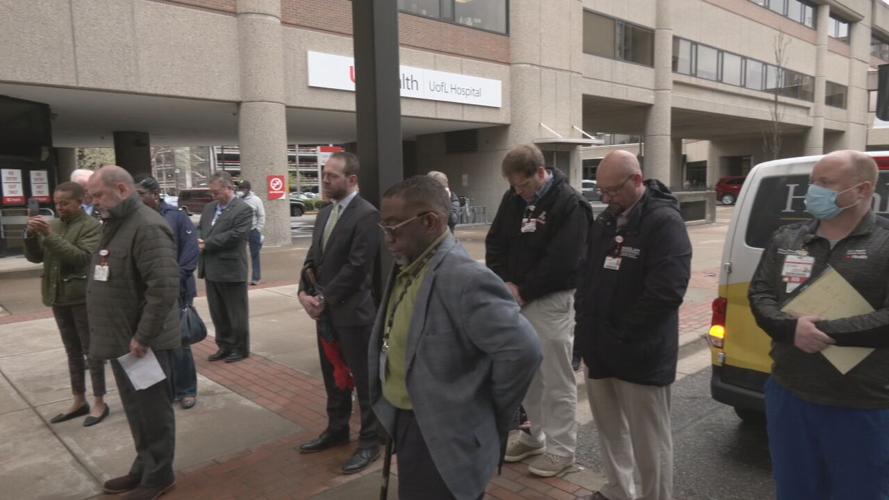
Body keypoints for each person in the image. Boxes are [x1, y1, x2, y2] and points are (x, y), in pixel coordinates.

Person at [369, 175, 541, 499]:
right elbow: (391, 331)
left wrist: (489, 406)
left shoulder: (464, 278)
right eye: (383, 228)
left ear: (430, 222)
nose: (387, 238)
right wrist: (388, 359)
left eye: (393, 227)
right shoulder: (409, 264)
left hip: (444, 434)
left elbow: (524, 351)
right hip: (407, 420)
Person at [748, 150, 889, 499]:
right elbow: (760, 293)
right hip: (789, 393)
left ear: (862, 189)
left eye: (825, 183)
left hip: (861, 403)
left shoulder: (885, 241)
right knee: (795, 488)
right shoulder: (789, 237)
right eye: (812, 182)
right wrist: (789, 329)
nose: (814, 190)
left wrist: (825, 334)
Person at [575, 150, 691, 500]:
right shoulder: (606, 221)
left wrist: (621, 335)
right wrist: (587, 334)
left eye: (612, 191)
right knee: (610, 431)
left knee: (650, 443)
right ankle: (617, 490)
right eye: (602, 192)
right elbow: (588, 276)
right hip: (600, 348)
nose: (606, 199)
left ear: (637, 181)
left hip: (640, 354)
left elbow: (666, 293)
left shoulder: (663, 222)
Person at [485, 143, 591, 477]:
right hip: (516, 299)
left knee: (556, 378)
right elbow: (495, 242)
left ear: (541, 172)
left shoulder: (570, 204)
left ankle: (562, 450)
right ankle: (534, 435)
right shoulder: (514, 199)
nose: (520, 192)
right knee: (527, 373)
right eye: (514, 186)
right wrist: (506, 283)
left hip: (551, 301)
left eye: (524, 185)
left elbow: (564, 261)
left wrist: (524, 290)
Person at [85, 165, 180, 499]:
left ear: (122, 190)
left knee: (153, 411)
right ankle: (144, 466)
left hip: (143, 342)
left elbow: (164, 288)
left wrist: (143, 336)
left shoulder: (148, 227)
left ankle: (159, 475)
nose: (95, 202)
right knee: (137, 410)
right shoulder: (116, 224)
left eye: (99, 195)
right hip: (123, 338)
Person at [296, 152, 383, 474]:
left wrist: (324, 298)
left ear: (352, 180)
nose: (325, 180)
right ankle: (337, 430)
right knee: (334, 377)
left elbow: (358, 267)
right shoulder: (324, 214)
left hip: (355, 315)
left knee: (364, 380)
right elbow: (312, 260)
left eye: (332, 175)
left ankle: (370, 442)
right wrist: (303, 292)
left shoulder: (367, 215)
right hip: (327, 314)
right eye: (324, 174)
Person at [23, 181, 109, 426]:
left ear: (80, 202)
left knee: (91, 352)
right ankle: (78, 399)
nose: (59, 208)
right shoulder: (55, 224)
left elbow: (80, 258)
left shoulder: (92, 227)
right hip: (58, 296)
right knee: (72, 351)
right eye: (57, 203)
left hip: (81, 297)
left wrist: (49, 236)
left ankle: (100, 401)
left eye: (65, 203)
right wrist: (31, 235)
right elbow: (35, 257)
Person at [136, 176, 200, 410]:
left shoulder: (176, 217)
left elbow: (190, 254)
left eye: (142, 193)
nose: (138, 198)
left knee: (180, 342)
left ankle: (186, 390)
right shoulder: (138, 219)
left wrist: (173, 282)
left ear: (155, 194)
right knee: (157, 343)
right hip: (150, 294)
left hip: (178, 291)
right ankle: (167, 390)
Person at [198, 171, 253, 363]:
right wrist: (198, 240)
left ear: (230, 188)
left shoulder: (243, 209)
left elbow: (237, 235)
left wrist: (208, 243)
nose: (213, 196)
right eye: (211, 193)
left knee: (236, 313)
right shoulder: (209, 208)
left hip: (231, 269)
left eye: (216, 192)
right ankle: (224, 346)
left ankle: (240, 348)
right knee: (218, 313)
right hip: (211, 268)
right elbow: (201, 230)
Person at [238, 180, 265, 286]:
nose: (241, 191)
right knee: (240, 255)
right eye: (240, 188)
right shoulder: (237, 200)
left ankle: (256, 278)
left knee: (255, 255)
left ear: (248, 189)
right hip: (240, 231)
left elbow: (261, 215)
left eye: (243, 189)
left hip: (253, 230)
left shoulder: (256, 200)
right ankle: (241, 278)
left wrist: (258, 229)